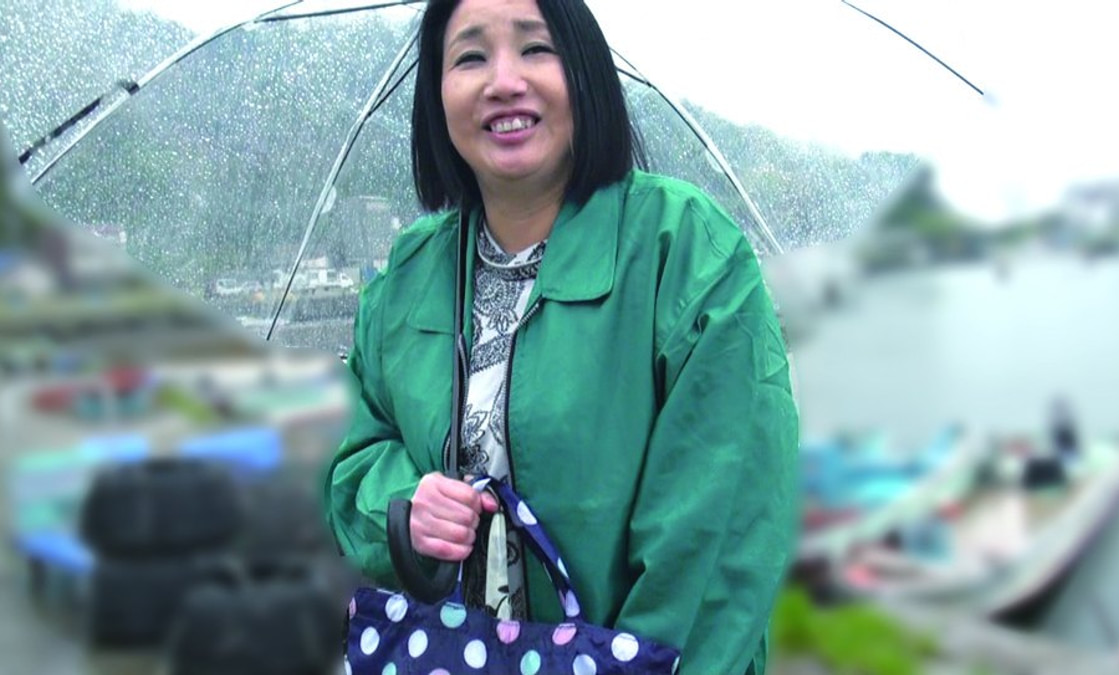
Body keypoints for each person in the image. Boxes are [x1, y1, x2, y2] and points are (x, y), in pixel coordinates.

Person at [323, 1, 799, 672]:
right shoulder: (408, 275)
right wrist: (402, 509)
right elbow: (348, 456)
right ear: (437, 93)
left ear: (583, 68)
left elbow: (721, 538)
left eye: (536, 48)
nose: (504, 82)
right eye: (470, 57)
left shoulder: (685, 251)